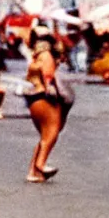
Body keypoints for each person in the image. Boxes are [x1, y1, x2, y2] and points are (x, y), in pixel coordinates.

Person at [21, 30, 70, 183]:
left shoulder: (35, 57)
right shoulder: (47, 56)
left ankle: (33, 171)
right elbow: (48, 76)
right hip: (44, 96)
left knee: (44, 136)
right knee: (51, 133)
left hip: (33, 95)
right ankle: (41, 164)